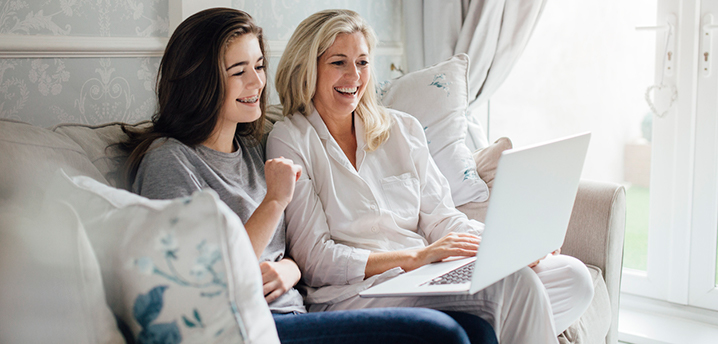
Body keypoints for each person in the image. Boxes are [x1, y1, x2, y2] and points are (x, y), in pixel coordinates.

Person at [119, 7, 494, 344]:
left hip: (292, 311)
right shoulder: (169, 162)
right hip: (245, 327)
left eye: (259, 66)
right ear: (200, 80)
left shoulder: (254, 147)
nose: (256, 83)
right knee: (439, 333)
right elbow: (200, 281)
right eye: (239, 71)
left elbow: (296, 254)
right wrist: (274, 201)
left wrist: (289, 269)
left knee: (477, 327)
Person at [267, 9, 595, 344]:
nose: (354, 75)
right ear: (308, 67)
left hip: (423, 277)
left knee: (573, 277)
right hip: (356, 294)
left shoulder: (401, 128)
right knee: (517, 285)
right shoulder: (290, 139)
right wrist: (415, 257)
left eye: (362, 62)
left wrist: (506, 245)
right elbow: (316, 258)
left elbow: (441, 218)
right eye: (339, 62)